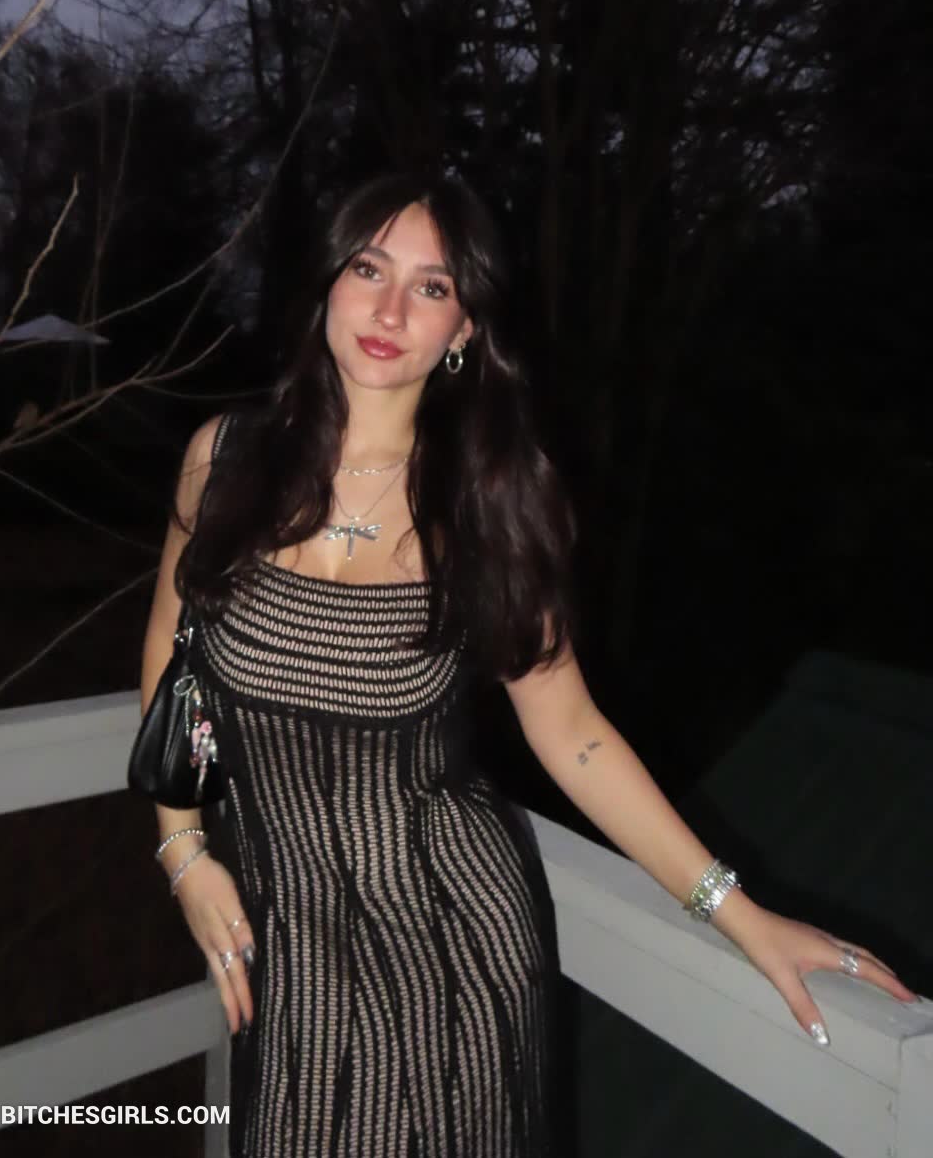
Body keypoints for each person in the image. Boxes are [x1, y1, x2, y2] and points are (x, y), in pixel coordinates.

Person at [139, 171, 916, 1157]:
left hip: (454, 947)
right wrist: (183, 849)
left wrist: (740, 913)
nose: (389, 310)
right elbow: (174, 655)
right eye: (369, 269)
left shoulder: (485, 506)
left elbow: (573, 735)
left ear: (463, 327)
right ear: (328, 282)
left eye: (430, 287)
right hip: (289, 945)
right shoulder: (224, 462)